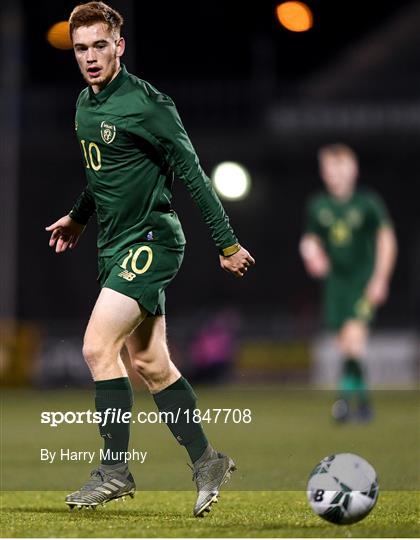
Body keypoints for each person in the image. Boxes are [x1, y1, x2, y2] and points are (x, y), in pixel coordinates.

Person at [45, 1, 255, 517]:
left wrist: (226, 243)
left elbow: (194, 174)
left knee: (97, 348)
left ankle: (114, 469)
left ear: (119, 45)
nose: (90, 57)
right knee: (150, 364)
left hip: (153, 241)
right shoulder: (84, 105)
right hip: (115, 244)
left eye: (100, 45)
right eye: (80, 48)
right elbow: (102, 176)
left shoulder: (148, 104)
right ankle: (207, 460)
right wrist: (78, 216)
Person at [300, 144, 397, 422]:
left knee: (354, 339)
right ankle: (363, 403)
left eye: (340, 166)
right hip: (335, 285)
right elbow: (310, 239)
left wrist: (380, 279)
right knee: (345, 345)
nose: (334, 173)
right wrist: (312, 254)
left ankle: (343, 403)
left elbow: (386, 241)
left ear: (353, 169)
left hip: (362, 282)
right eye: (328, 168)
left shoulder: (368, 203)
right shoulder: (318, 205)